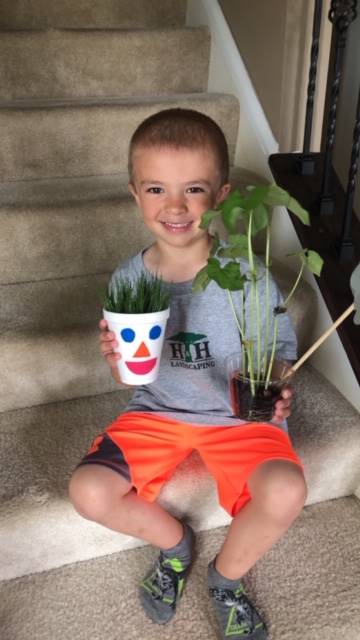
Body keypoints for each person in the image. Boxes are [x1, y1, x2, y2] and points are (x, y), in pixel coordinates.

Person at [69, 108, 306, 640]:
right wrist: (118, 367)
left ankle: (225, 580)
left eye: (193, 189)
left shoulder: (247, 272)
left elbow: (280, 351)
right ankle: (175, 546)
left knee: (286, 490)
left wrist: (278, 385)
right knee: (88, 491)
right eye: (156, 189)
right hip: (157, 411)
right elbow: (131, 377)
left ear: (221, 194)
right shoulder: (127, 278)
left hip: (238, 418)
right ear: (134, 193)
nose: (174, 206)